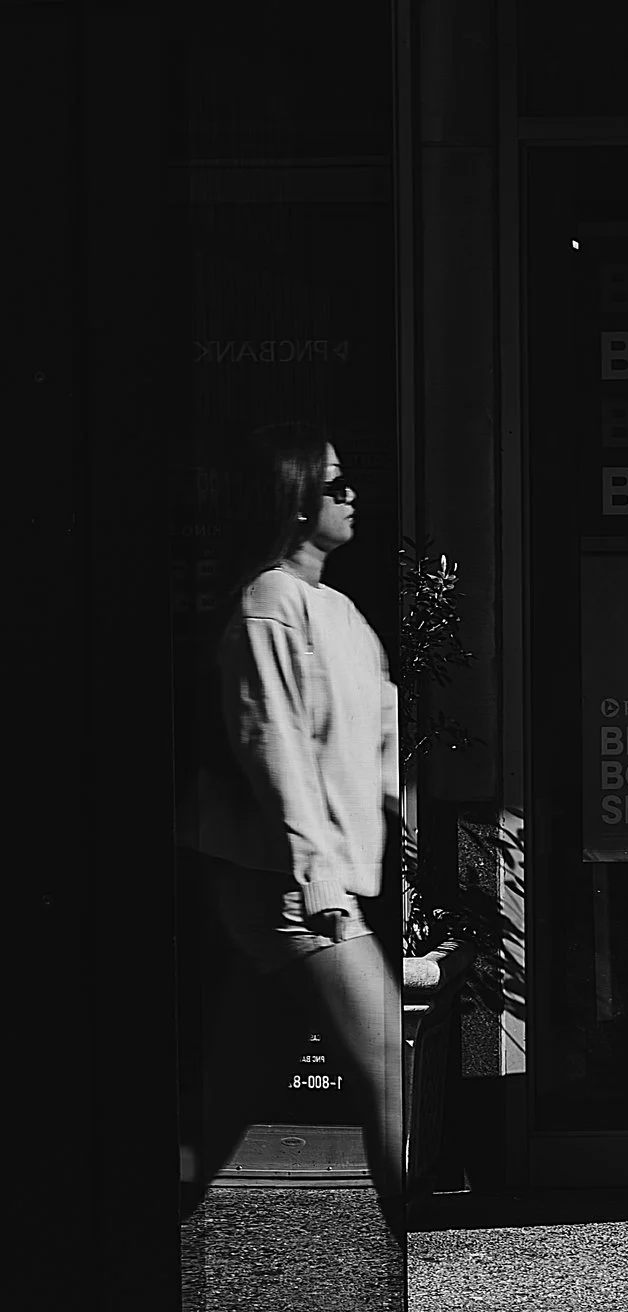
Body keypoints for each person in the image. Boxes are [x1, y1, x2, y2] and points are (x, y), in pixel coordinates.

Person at [180, 423, 403, 1233]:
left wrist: (380, 843)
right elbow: (271, 746)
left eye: (348, 482)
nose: (351, 496)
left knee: (224, 1100)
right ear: (294, 499)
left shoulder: (339, 611)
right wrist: (323, 882)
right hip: (286, 881)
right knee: (390, 1068)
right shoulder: (269, 602)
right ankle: (413, 1256)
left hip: (317, 879)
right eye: (333, 484)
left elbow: (374, 749)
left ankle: (116, 1252)